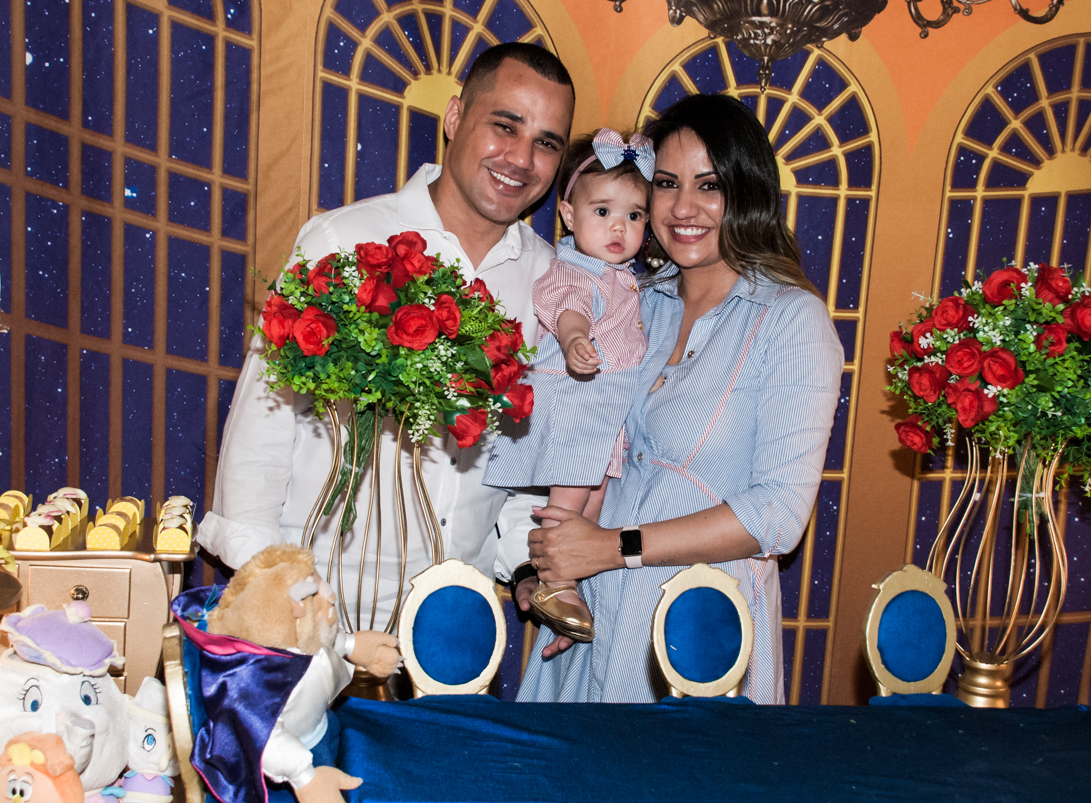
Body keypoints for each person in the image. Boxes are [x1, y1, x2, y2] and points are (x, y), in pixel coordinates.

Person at [196, 43, 575, 626]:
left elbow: (523, 463)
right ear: (455, 118)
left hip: (455, 629)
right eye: (505, 126)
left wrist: (524, 566)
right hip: (318, 613)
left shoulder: (554, 285)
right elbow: (262, 428)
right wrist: (270, 592)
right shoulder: (343, 241)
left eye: (546, 143)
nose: (522, 159)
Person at [514, 93, 843, 704]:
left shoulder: (792, 322)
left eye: (709, 185)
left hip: (698, 638)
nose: (684, 207)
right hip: (591, 622)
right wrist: (552, 571)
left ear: (747, 193)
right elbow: (589, 444)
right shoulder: (634, 301)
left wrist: (612, 548)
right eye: (666, 183)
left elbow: (777, 516)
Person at [484, 129, 655, 643]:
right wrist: (575, 337)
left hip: (605, 410)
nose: (619, 228)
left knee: (594, 506)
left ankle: (560, 585)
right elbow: (570, 311)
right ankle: (556, 579)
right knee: (569, 500)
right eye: (602, 212)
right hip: (577, 405)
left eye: (634, 215)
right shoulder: (577, 271)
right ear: (567, 213)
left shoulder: (627, 277)